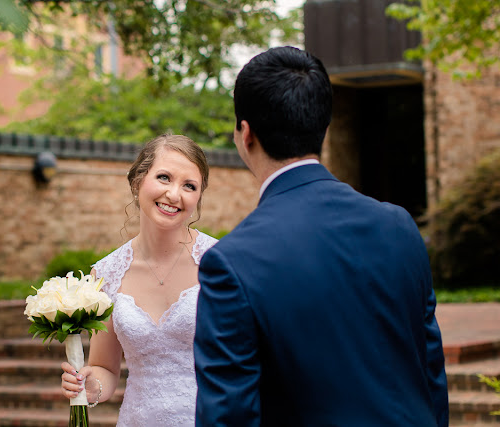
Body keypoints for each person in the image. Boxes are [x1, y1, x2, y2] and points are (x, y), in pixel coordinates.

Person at [193, 46, 449, 426]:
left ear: (245, 134)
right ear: (324, 130)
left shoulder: (232, 263)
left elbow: (228, 417)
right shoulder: (399, 227)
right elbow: (431, 376)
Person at [60, 134, 218, 426]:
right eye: (164, 177)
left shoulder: (220, 263)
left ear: (198, 197)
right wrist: (88, 385)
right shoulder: (106, 274)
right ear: (137, 182)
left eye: (189, 186)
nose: (174, 194)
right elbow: (104, 368)